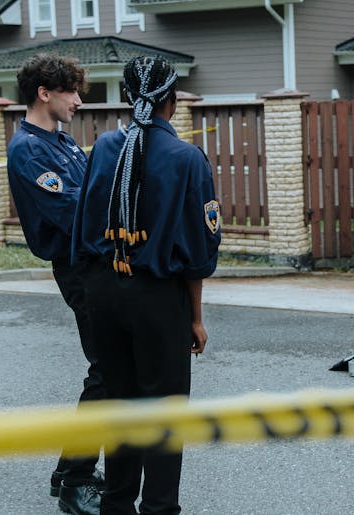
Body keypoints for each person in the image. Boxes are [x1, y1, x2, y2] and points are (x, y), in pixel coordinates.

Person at [71, 56, 220, 515]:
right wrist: (195, 318)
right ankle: (158, 508)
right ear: (171, 101)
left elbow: (83, 226)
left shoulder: (103, 146)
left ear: (128, 97)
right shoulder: (187, 158)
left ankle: (116, 505)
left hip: (104, 290)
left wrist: (98, 289)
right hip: (157, 297)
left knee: (119, 402)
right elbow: (198, 249)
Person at [6, 54, 104, 515]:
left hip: (91, 262)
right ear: (44, 94)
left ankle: (67, 470)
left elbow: (88, 191)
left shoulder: (60, 141)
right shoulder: (29, 150)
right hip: (77, 267)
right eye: (71, 92)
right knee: (107, 370)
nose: (78, 101)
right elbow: (72, 209)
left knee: (107, 368)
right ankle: (76, 483)